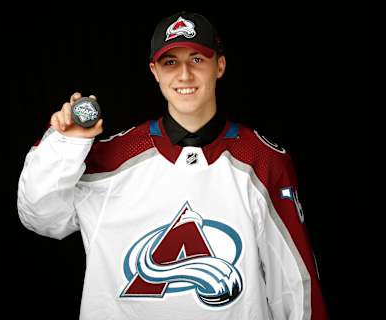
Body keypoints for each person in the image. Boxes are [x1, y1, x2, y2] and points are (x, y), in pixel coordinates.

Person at [17, 11, 328, 319]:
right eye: (170, 63)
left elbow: (296, 288)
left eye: (197, 60)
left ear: (219, 66)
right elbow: (42, 217)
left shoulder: (262, 161)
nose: (184, 75)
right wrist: (65, 144)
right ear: (154, 71)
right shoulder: (111, 158)